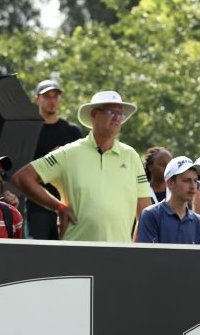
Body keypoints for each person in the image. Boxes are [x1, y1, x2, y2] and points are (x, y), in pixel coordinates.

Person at [12, 90, 153, 242]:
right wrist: (59, 207)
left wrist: (137, 251)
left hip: (120, 256)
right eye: (111, 112)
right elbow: (22, 178)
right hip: (76, 255)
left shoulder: (131, 156)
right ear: (94, 114)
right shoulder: (69, 153)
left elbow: (145, 213)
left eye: (121, 114)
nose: (117, 118)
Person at [26, 80, 83, 239]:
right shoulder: (29, 132)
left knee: (67, 255)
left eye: (55, 96)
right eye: (47, 97)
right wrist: (50, 159)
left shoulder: (72, 131)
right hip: (38, 205)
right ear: (37, 99)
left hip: (68, 204)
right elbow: (23, 170)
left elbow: (80, 166)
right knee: (40, 256)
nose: (52, 100)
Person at [137, 156, 200, 245]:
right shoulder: (151, 215)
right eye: (186, 180)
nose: (193, 186)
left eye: (195, 181)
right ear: (170, 183)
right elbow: (147, 256)